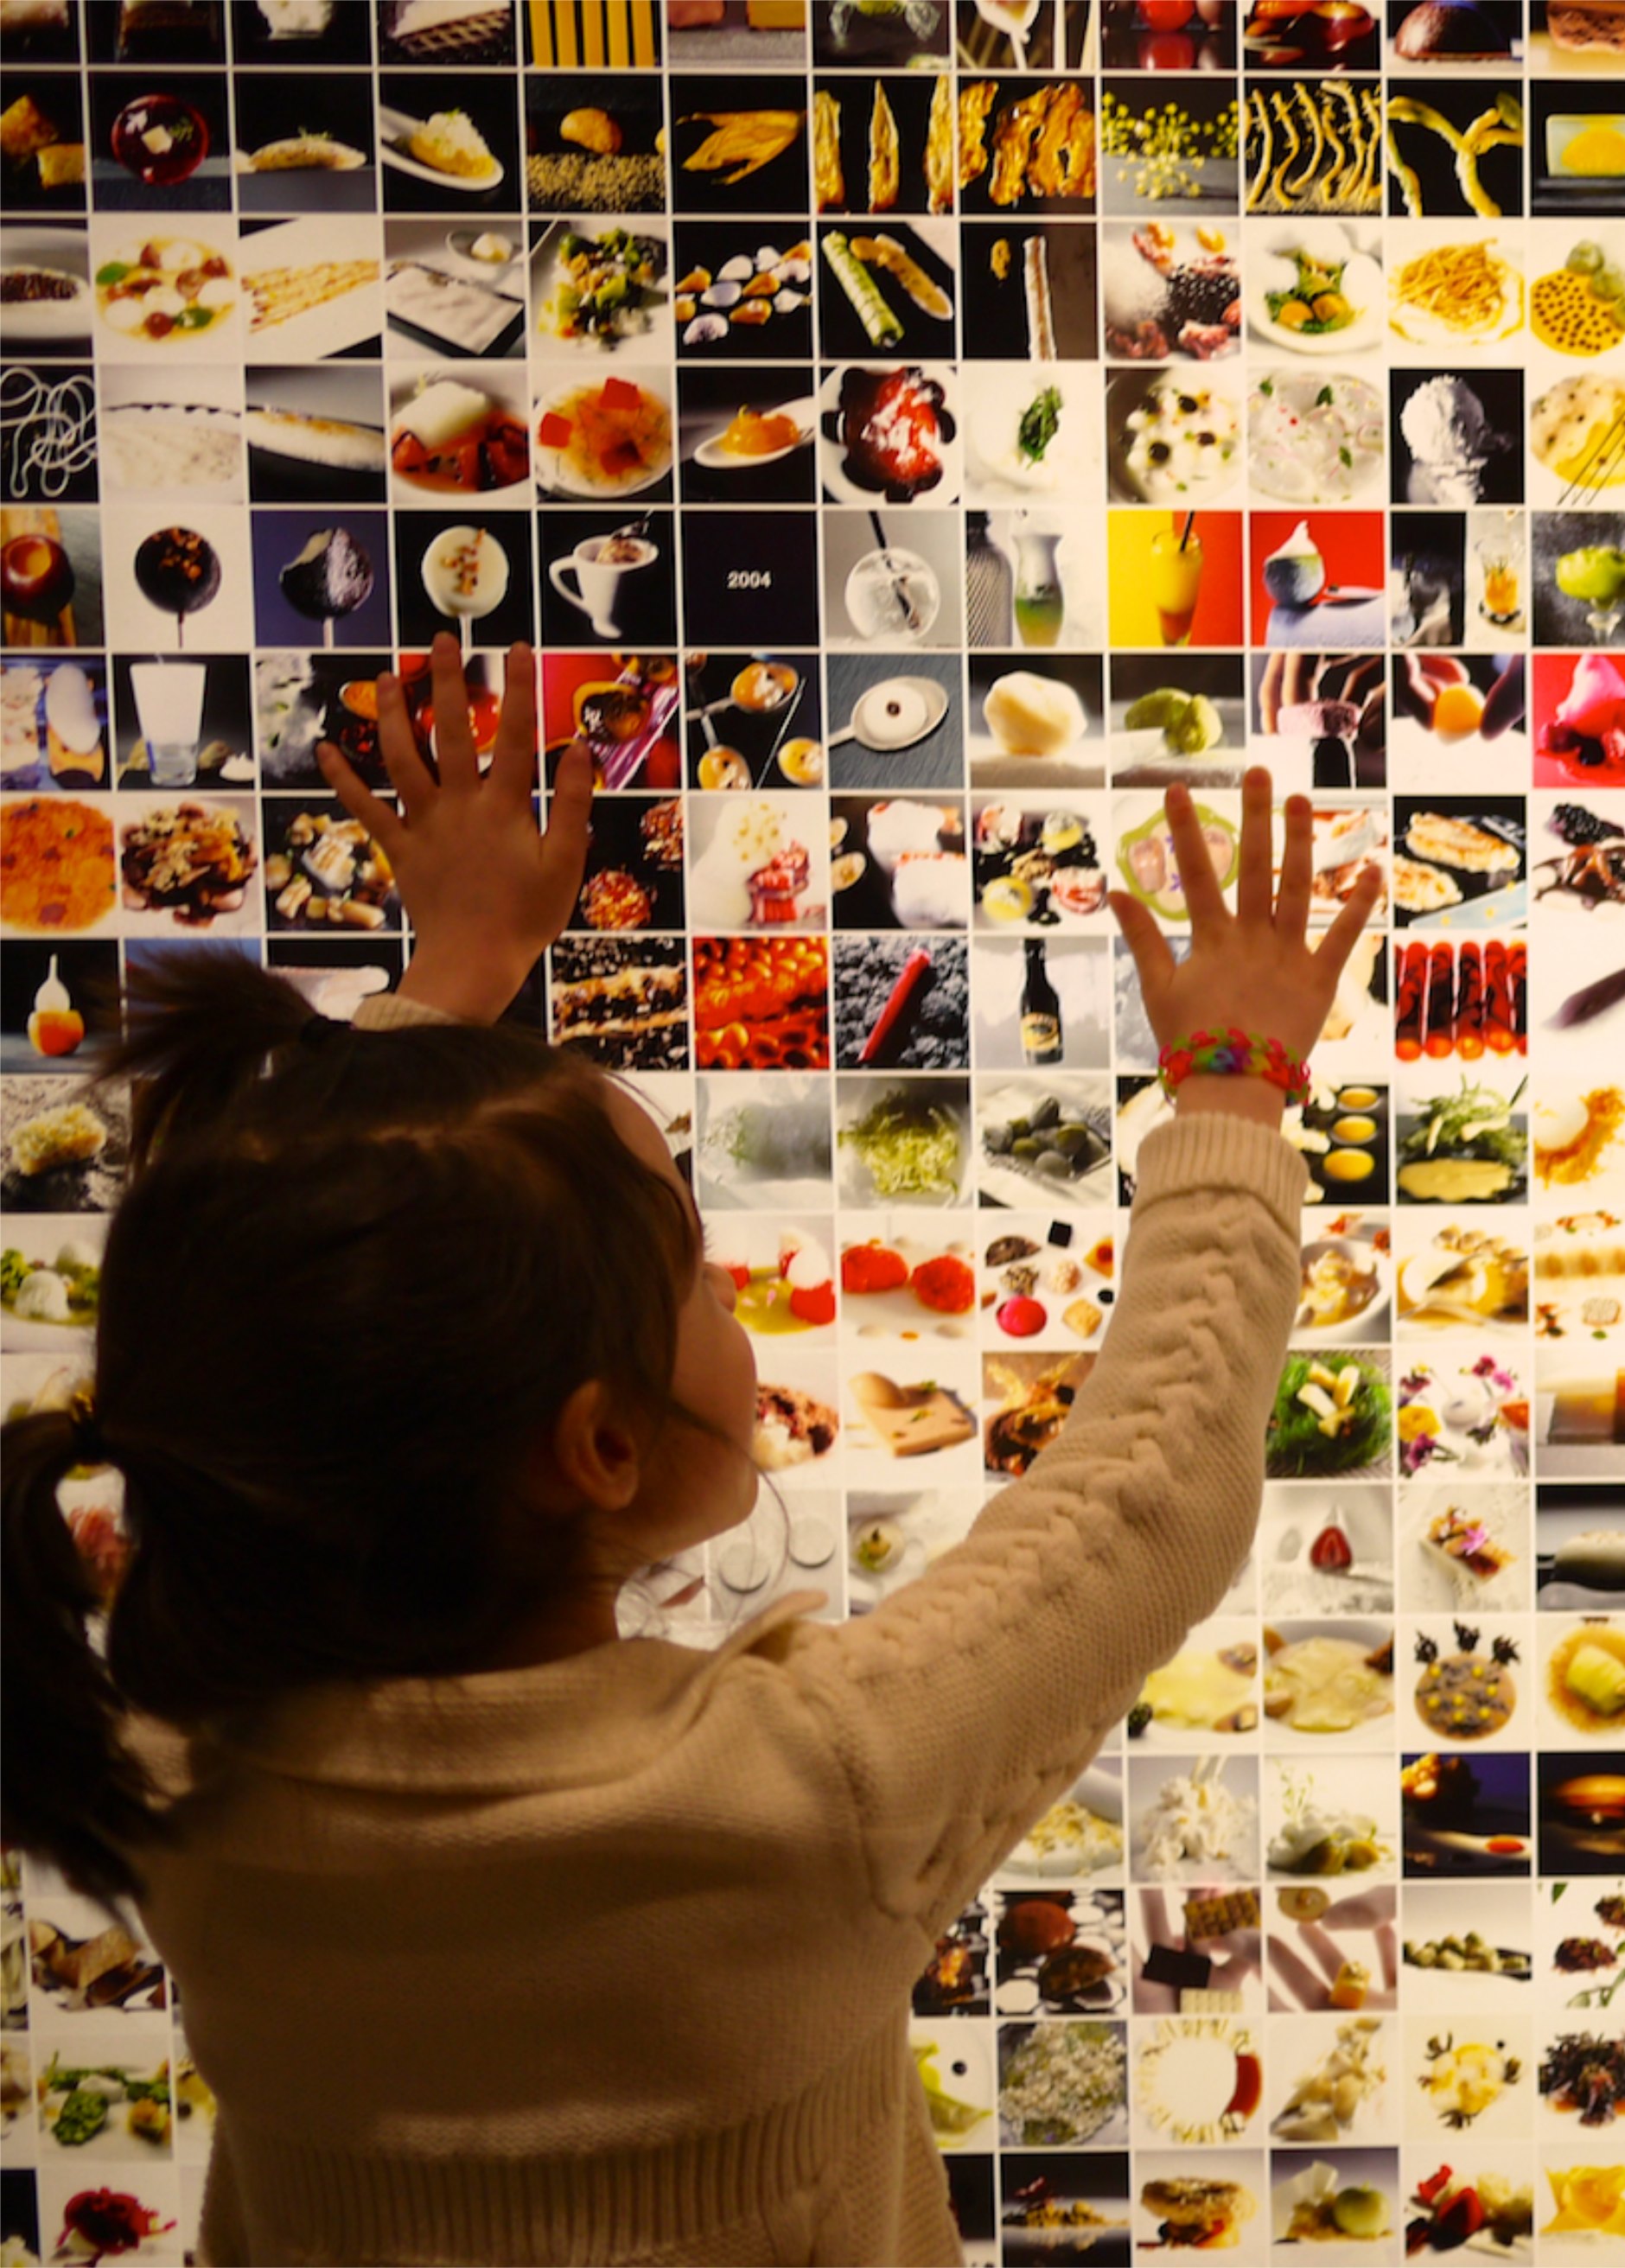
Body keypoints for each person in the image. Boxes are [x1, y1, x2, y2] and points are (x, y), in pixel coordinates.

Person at [0, 640, 1375, 2262]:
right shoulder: (806, 1797)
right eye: (699, 1264)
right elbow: (1155, 1485)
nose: (729, 1297)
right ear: (598, 1447)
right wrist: (1232, 1089)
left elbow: (274, 1337)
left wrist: (452, 981)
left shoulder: (183, 1773)